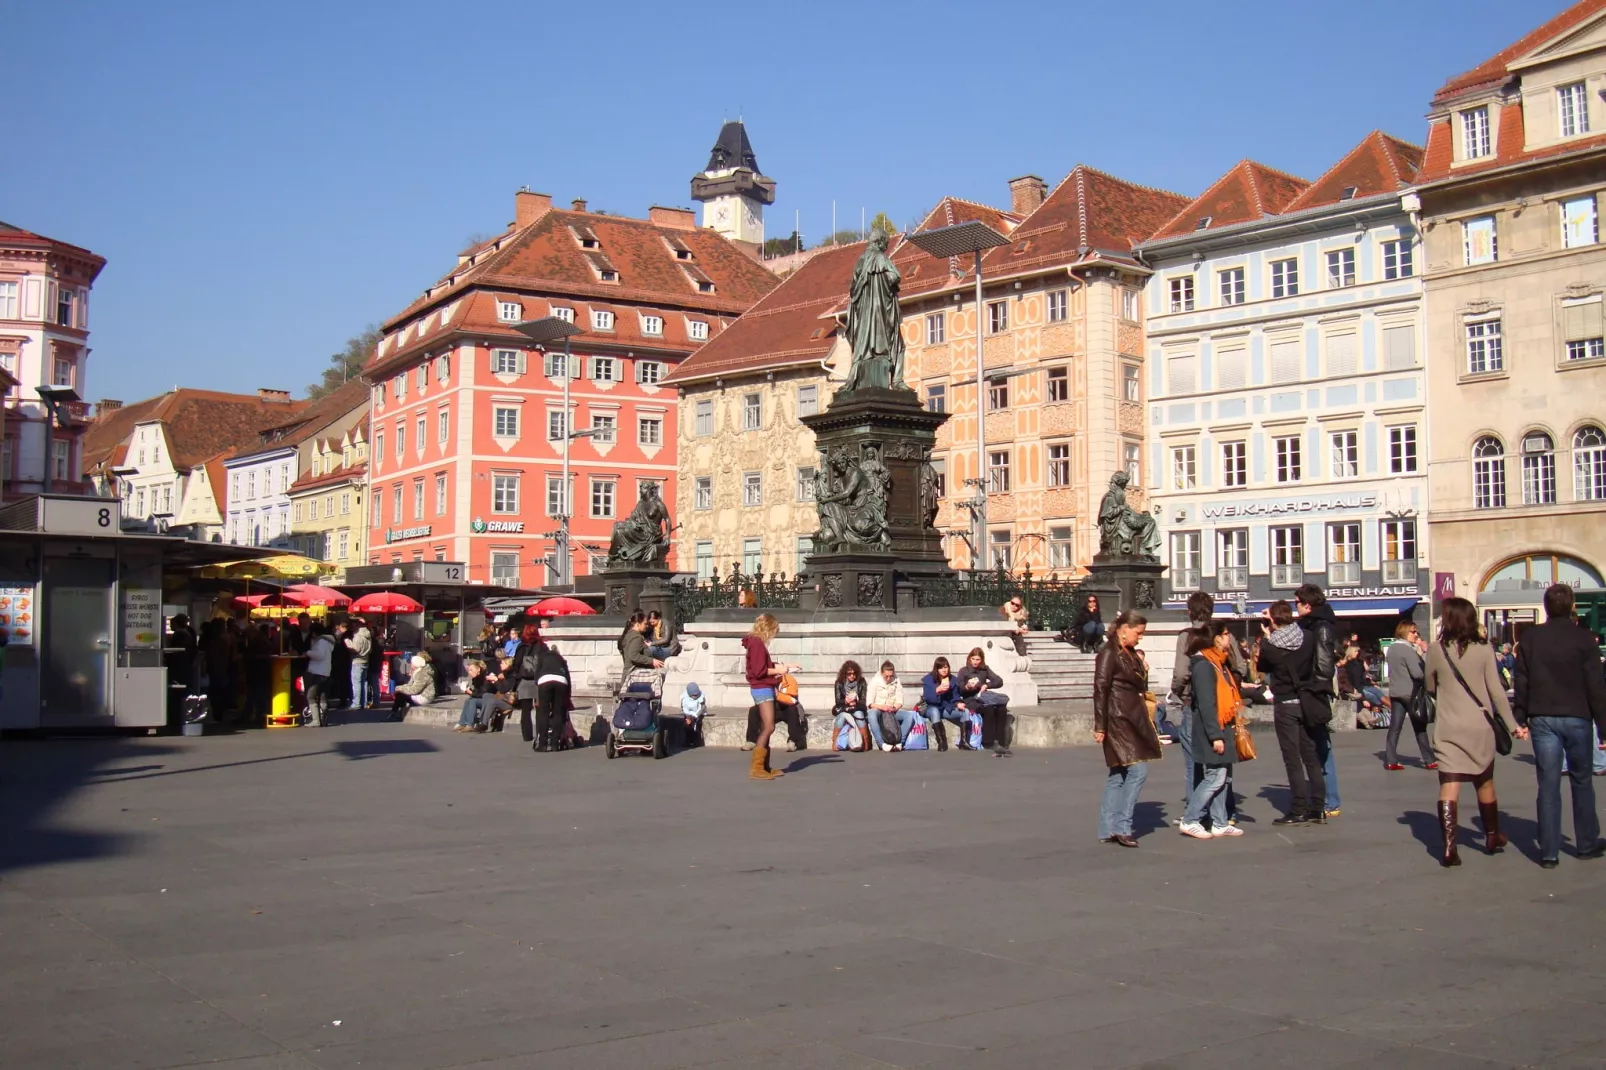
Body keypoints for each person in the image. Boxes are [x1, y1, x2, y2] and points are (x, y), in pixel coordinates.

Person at [1425, 596, 1525, 867]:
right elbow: (1497, 693)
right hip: (1480, 726)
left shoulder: (1436, 649)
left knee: (1449, 785)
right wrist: (1514, 726)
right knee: (1485, 781)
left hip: (1449, 727)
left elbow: (1430, 686)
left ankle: (1449, 847)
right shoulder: (1484, 649)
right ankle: (1492, 835)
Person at [1512, 583, 1606, 868]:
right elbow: (1595, 686)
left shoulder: (1531, 639)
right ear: (1572, 606)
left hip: (1543, 716)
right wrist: (1603, 725)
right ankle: (1586, 842)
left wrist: (1521, 714)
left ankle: (1549, 851)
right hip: (1578, 714)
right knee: (1582, 780)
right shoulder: (1584, 640)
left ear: (1545, 607)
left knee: (1548, 784)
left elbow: (1522, 680)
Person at [1093, 610, 1162, 847]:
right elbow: (1101, 688)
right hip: (1119, 718)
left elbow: (1137, 683)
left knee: (1119, 773)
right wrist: (1100, 724)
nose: (1140, 637)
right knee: (1137, 770)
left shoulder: (1128, 653)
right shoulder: (1109, 652)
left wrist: (1142, 668)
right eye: (1138, 632)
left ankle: (1108, 828)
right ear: (1124, 629)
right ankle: (1122, 827)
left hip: (1130, 716)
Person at [1256, 600, 1326, 825]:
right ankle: (1318, 807)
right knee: (1311, 755)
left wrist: (1267, 635)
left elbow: (1262, 668)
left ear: (1273, 620)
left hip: (1285, 702)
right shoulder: (1307, 636)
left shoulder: (1270, 645)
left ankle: (1298, 808)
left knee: (1292, 757)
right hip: (1306, 700)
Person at [1180, 622, 1244, 839]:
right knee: (1215, 776)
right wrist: (1215, 735)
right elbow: (1207, 703)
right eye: (1226, 634)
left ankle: (1219, 821)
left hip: (1221, 725)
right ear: (1216, 638)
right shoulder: (1205, 665)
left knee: (1223, 776)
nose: (1229, 638)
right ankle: (1190, 819)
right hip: (1212, 729)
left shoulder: (1217, 663)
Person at [1295, 584, 1342, 818]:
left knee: (1321, 746)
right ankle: (1324, 796)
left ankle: (1330, 800)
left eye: (1297, 603)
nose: (1295, 607)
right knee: (1315, 746)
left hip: (1314, 692)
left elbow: (1324, 665)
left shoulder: (1320, 627)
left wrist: (1314, 687)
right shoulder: (1311, 625)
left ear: (1307, 604)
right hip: (1309, 689)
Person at [743, 613, 798, 780]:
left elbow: (761, 666)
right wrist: (779, 670)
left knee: (766, 726)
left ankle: (765, 766)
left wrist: (784, 667)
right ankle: (757, 767)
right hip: (762, 688)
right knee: (769, 727)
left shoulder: (754, 643)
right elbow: (760, 671)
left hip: (762, 687)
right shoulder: (757, 644)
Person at [1385, 620, 1435, 771]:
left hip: (1395, 692)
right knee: (1420, 727)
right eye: (1413, 632)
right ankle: (1429, 759)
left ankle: (1391, 759)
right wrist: (1425, 654)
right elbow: (1418, 673)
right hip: (1410, 693)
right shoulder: (1408, 650)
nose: (1416, 635)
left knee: (1395, 727)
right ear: (1405, 632)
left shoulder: (1392, 649)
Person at [956, 647, 1009, 756]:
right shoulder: (964, 671)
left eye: (978, 660)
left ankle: (1001, 741)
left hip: (983, 697)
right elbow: (959, 688)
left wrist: (987, 685)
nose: (975, 662)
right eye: (973, 659)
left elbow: (999, 681)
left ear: (981, 660)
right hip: (971, 700)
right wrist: (967, 686)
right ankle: (987, 741)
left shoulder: (985, 669)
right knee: (989, 709)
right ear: (969, 659)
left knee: (1001, 709)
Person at [921, 656, 972, 751]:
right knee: (935, 711)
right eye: (941, 668)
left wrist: (957, 704)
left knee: (965, 711)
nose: (944, 670)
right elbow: (927, 698)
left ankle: (964, 742)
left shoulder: (952, 679)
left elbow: (955, 696)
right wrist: (937, 690)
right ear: (937, 669)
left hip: (946, 708)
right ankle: (941, 741)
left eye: (946, 667)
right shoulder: (929, 679)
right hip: (931, 708)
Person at [867, 661, 917, 752]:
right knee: (871, 714)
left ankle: (899, 742)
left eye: (891, 676)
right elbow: (870, 703)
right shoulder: (874, 681)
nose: (889, 678)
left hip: (892, 710)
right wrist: (882, 707)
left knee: (909, 716)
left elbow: (900, 701)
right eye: (886, 676)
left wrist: (894, 708)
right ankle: (881, 744)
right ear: (882, 673)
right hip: (878, 709)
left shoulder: (897, 681)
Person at [532, 641, 572, 752]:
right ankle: (555, 744)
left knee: (543, 712)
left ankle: (543, 744)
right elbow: (567, 677)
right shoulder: (560, 659)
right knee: (558, 712)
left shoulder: (542, 657)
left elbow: (537, 674)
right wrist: (568, 695)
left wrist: (538, 686)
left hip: (545, 680)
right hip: (561, 681)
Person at [453, 660, 510, 732]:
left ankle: (470, 724)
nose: (469, 672)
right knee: (468, 700)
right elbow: (477, 692)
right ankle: (462, 723)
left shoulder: (485, 678)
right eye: (468, 670)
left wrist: (471, 692)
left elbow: (483, 693)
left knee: (473, 701)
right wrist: (469, 690)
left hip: (488, 699)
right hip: (484, 698)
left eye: (471, 670)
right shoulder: (476, 678)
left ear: (478, 669)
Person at [511, 623, 544, 744]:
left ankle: (527, 735)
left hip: (524, 681)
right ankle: (540, 733)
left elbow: (516, 663)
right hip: (538, 681)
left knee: (525, 710)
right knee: (540, 709)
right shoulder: (542, 646)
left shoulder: (521, 646)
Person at [1340, 646, 1388, 728]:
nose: (1357, 653)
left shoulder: (1358, 664)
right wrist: (1363, 698)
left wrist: (1371, 684)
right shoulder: (1350, 665)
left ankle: (1371, 720)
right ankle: (1370, 721)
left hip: (1356, 688)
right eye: (1355, 652)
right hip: (1351, 690)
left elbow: (1360, 680)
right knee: (1370, 697)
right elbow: (1353, 682)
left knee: (1374, 692)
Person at [303, 622, 335, 727]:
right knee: (322, 696)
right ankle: (323, 719)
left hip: (317, 671)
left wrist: (308, 652)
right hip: (326, 671)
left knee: (311, 696)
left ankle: (316, 720)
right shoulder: (328, 641)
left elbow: (319, 655)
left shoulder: (321, 642)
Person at [832, 661, 870, 746]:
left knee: (859, 714)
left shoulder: (861, 681)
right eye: (849, 674)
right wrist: (846, 701)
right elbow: (838, 701)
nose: (852, 676)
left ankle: (865, 742)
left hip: (857, 707)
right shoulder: (839, 682)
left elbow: (863, 700)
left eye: (854, 673)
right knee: (842, 715)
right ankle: (835, 742)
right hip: (844, 707)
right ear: (844, 674)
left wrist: (855, 703)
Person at [389, 653, 437, 718]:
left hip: (425, 697)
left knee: (401, 695)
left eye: (412, 663)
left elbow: (415, 690)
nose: (410, 664)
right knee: (401, 693)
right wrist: (400, 688)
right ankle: (397, 713)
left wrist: (400, 689)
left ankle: (393, 714)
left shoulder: (422, 674)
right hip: (420, 694)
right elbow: (410, 684)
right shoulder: (417, 671)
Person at [619, 613, 663, 679]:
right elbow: (633, 655)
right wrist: (652, 661)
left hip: (629, 674)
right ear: (638, 624)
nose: (647, 626)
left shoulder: (628, 635)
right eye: (645, 624)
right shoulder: (637, 637)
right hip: (635, 676)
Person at [345, 616, 373, 710]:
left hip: (357, 661)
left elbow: (355, 650)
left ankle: (356, 703)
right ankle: (364, 702)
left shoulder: (357, 637)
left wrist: (348, 644)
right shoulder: (368, 636)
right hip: (366, 660)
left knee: (356, 683)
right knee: (364, 682)